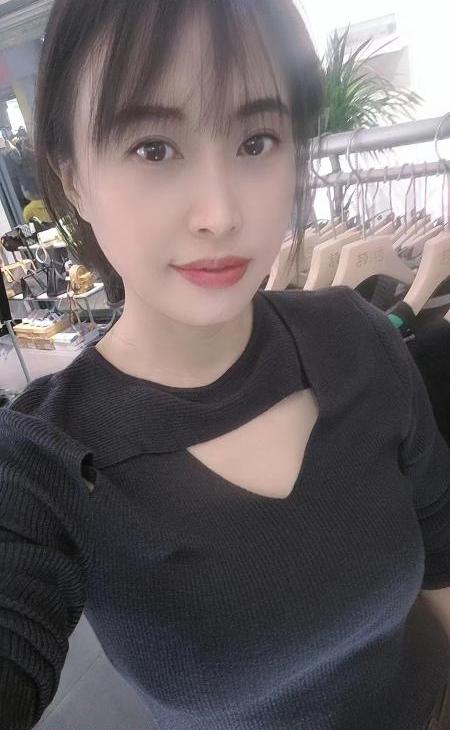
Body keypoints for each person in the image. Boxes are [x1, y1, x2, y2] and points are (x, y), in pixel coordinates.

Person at [0, 2, 450, 730]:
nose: (219, 213)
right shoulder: (42, 463)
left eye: (256, 140)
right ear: (71, 175)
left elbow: (441, 543)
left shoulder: (359, 339)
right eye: (153, 148)